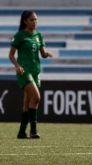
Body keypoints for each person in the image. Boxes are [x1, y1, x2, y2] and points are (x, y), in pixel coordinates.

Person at [8, 10, 53, 139]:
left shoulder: (39, 35)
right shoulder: (20, 35)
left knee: (28, 102)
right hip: (24, 71)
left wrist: (47, 54)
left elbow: (42, 54)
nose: (35, 22)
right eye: (32, 20)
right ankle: (33, 131)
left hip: (35, 71)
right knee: (37, 97)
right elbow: (11, 55)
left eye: (36, 19)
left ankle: (22, 132)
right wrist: (17, 66)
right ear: (25, 21)